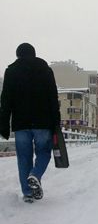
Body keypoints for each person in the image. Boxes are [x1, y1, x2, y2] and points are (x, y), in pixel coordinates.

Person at [0, 43, 60, 203]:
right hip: (43, 121)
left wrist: (3, 124)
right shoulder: (46, 70)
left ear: (18, 55)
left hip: (21, 123)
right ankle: (35, 174)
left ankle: (27, 193)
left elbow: (5, 100)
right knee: (43, 152)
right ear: (34, 54)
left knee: (24, 156)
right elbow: (53, 98)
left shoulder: (11, 71)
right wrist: (56, 122)